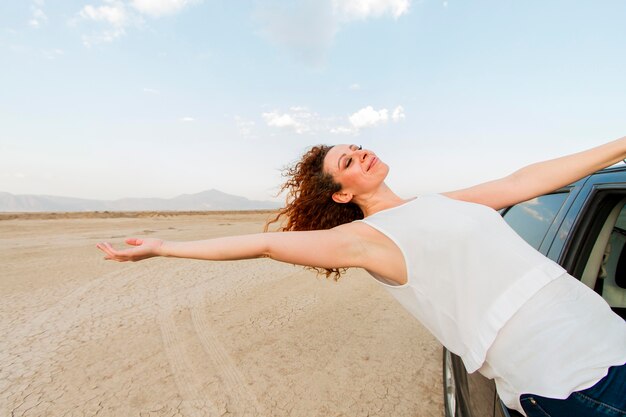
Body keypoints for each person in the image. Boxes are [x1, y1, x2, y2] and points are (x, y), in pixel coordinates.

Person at [97, 137, 626, 417]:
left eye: (357, 146)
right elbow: (262, 243)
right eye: (348, 160)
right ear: (343, 194)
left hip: (610, 341)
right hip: (573, 380)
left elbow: (523, 180)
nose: (362, 152)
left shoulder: (440, 203)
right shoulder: (369, 241)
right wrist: (166, 247)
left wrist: (620, 143)